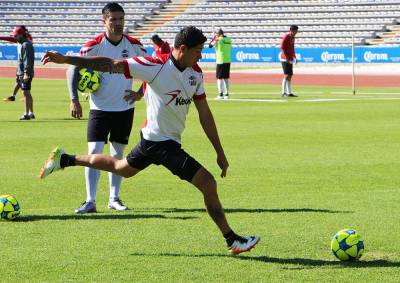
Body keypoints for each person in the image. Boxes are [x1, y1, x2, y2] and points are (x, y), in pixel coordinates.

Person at [40, 26, 260, 254]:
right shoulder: (154, 66)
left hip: (151, 142)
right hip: (160, 143)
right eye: (198, 50)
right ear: (182, 49)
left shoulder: (196, 73)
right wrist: (66, 59)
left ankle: (65, 159)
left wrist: (219, 151)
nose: (201, 56)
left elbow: (205, 113)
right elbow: (110, 64)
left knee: (121, 168)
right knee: (208, 183)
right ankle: (231, 239)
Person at [66, 2, 147, 214]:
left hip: (124, 109)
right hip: (99, 109)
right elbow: (73, 68)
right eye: (113, 19)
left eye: (121, 19)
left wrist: (140, 92)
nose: (118, 23)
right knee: (94, 153)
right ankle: (90, 200)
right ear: (104, 21)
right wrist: (74, 99)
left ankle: (114, 198)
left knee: (118, 155)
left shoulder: (135, 45)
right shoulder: (93, 46)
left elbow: (152, 70)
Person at [0, 26, 35, 118]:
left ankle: (26, 114)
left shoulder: (26, 45)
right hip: (21, 72)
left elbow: (28, 60)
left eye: (15, 35)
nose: (14, 37)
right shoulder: (21, 42)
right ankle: (31, 113)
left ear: (21, 35)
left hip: (25, 72)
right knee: (25, 90)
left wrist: (26, 73)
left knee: (25, 93)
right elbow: (11, 39)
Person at [209, 29, 232, 100]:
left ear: (218, 34)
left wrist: (213, 38)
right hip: (227, 60)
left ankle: (220, 94)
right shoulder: (228, 39)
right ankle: (227, 94)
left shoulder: (218, 40)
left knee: (219, 78)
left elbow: (210, 45)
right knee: (226, 78)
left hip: (220, 60)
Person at [280, 25, 299, 98]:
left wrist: (294, 57)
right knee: (286, 75)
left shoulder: (293, 38)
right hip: (284, 58)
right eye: (295, 30)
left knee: (290, 76)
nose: (296, 32)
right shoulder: (286, 36)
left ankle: (289, 92)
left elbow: (292, 48)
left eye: (296, 31)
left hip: (290, 58)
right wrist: (286, 57)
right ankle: (283, 92)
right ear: (291, 30)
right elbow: (282, 48)